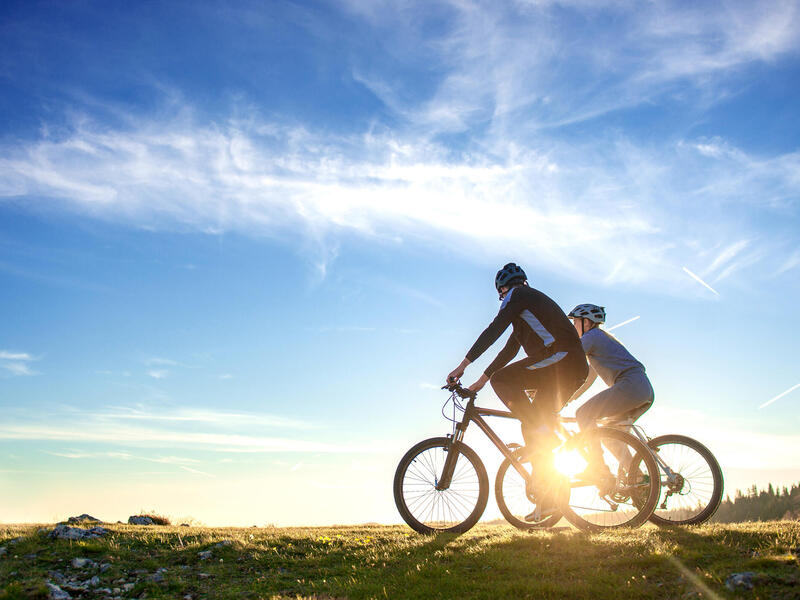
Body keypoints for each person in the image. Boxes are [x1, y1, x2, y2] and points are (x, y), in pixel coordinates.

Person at [446, 263, 589, 521]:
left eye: (502, 294)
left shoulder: (517, 296)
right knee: (532, 429)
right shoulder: (526, 311)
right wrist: (479, 382)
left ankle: (546, 432)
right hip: (568, 365)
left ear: (503, 290)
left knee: (507, 386)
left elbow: (494, 330)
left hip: (563, 359)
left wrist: (462, 365)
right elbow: (509, 350)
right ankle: (549, 500)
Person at [566, 304, 654, 481]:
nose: (573, 326)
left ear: (587, 323)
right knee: (610, 436)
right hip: (643, 389)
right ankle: (638, 479)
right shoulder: (600, 341)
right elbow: (588, 379)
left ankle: (597, 467)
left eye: (575, 322)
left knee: (583, 414)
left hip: (629, 385)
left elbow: (569, 359)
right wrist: (567, 399)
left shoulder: (592, 337)